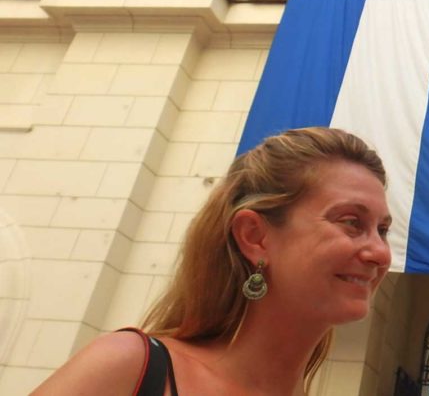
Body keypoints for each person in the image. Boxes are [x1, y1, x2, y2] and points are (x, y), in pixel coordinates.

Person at [33, 126, 392, 395]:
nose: (379, 253)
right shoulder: (130, 367)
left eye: (383, 229)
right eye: (350, 222)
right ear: (255, 236)